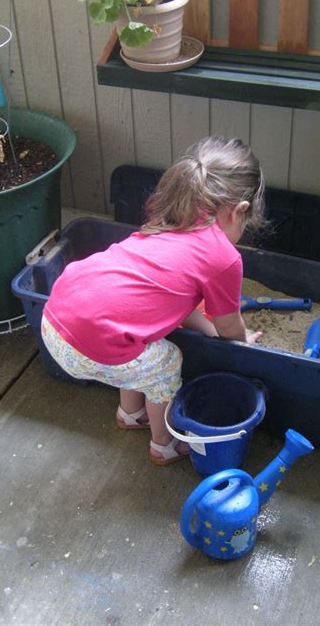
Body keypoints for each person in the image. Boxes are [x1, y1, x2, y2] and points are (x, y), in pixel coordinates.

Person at [41, 136, 265, 466]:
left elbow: (177, 302)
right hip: (85, 347)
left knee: (142, 337)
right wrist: (241, 342)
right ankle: (164, 444)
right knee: (166, 362)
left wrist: (205, 328)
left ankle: (130, 414)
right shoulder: (224, 257)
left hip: (54, 319)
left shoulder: (168, 221)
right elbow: (229, 324)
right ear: (240, 211)